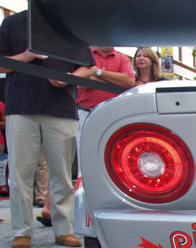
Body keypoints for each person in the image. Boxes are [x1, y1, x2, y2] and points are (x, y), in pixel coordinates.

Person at [0, 0, 97, 248]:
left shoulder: (68, 26)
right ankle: (21, 231)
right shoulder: (13, 24)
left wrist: (67, 79)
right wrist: (27, 56)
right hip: (22, 105)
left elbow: (88, 68)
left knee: (63, 174)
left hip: (61, 106)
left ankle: (63, 229)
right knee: (20, 172)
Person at [37, 46, 134, 227]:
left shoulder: (121, 59)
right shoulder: (83, 53)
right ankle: (68, 211)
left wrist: (96, 72)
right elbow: (78, 82)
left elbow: (128, 81)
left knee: (109, 164)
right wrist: (107, 77)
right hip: (84, 113)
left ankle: (102, 210)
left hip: (110, 116)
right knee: (76, 165)